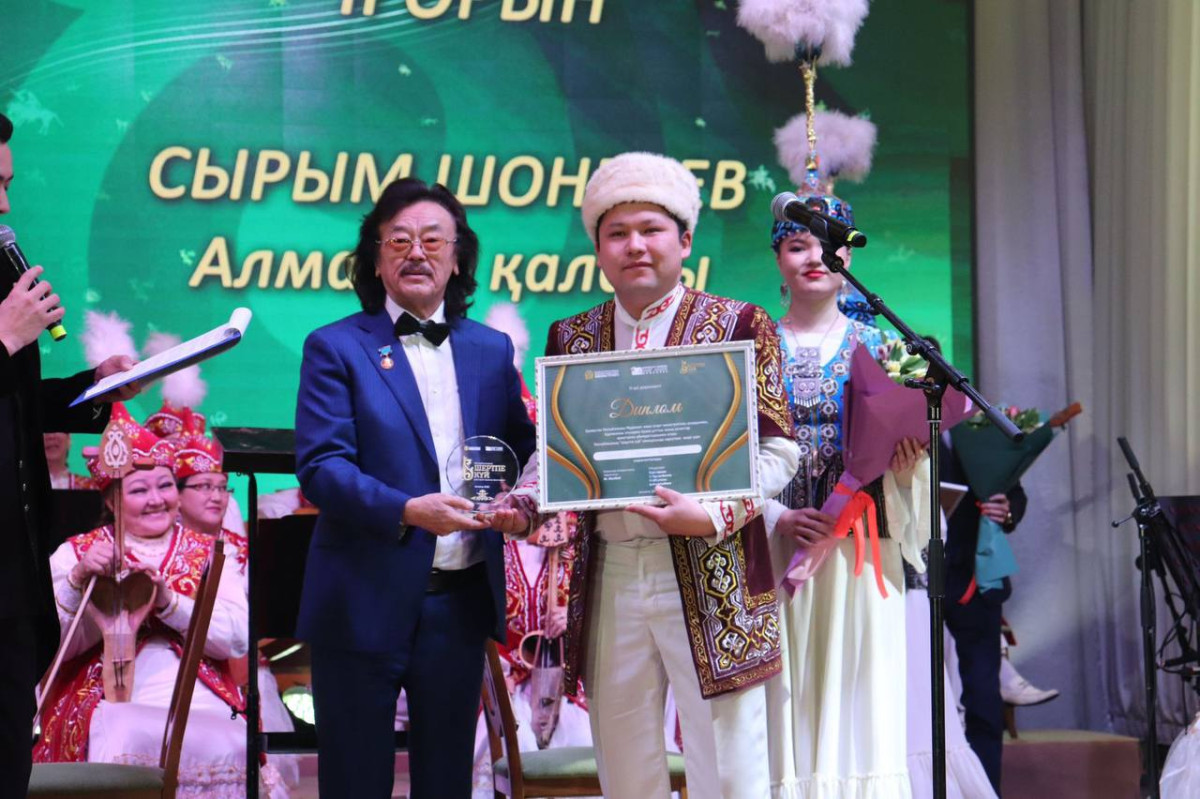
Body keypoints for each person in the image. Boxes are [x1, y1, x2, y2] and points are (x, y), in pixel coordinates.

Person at [522, 152, 799, 799]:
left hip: (715, 567)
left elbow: (780, 452)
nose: (635, 246)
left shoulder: (738, 324)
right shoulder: (573, 336)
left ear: (686, 240)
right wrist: (523, 500)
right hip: (612, 569)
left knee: (730, 769)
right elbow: (555, 454)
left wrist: (714, 513)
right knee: (624, 766)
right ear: (598, 249)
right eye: (617, 233)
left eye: (651, 229)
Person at [294, 177, 536, 798]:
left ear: (458, 258)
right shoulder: (335, 347)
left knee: (447, 781)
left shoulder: (491, 349)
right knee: (354, 782)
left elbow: (520, 453)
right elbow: (321, 466)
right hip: (360, 598)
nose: (416, 252)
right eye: (398, 240)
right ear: (375, 259)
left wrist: (522, 506)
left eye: (433, 239)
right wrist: (407, 509)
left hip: (459, 603)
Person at [34, 404, 288, 797]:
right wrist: (79, 579)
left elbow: (237, 638)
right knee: (120, 733)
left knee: (230, 738)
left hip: (197, 687)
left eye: (165, 486)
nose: (156, 500)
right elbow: (47, 645)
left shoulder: (209, 552)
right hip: (102, 692)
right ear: (112, 501)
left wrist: (169, 603)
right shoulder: (77, 552)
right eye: (139, 490)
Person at [764, 207, 930, 799]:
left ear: (848, 257)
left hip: (861, 554)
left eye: (827, 245)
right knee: (783, 701)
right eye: (797, 246)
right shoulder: (753, 347)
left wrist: (907, 468)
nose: (814, 257)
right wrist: (777, 514)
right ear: (778, 260)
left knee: (861, 699)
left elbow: (904, 448)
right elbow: (729, 452)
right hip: (775, 550)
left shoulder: (885, 347)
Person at [0, 110, 137, 799]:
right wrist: (2, 339)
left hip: (11, 573)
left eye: (8, 184)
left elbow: (20, 404)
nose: (5, 206)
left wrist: (97, 387)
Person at [939, 437, 1027, 795]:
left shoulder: (980, 427)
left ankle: (986, 789)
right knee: (914, 690)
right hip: (914, 573)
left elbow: (1014, 491)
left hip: (976, 576)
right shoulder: (903, 419)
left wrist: (1007, 510)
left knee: (983, 696)